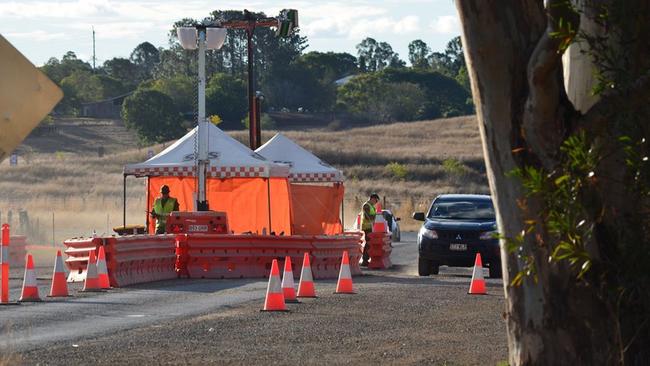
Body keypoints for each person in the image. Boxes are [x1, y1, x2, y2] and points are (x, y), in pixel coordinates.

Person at [360, 193, 380, 266]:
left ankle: (366, 259)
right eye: (376, 200)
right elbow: (368, 216)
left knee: (369, 244)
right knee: (368, 244)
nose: (376, 202)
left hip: (370, 227)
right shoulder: (366, 206)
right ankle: (365, 260)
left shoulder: (372, 206)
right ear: (372, 198)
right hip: (366, 227)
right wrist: (376, 216)